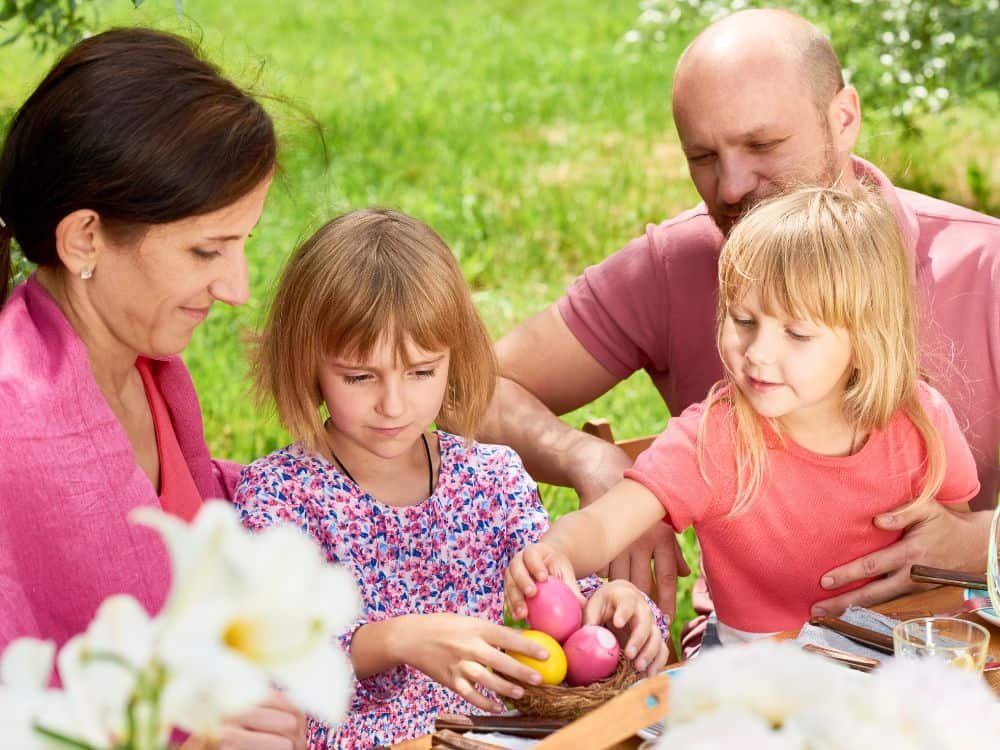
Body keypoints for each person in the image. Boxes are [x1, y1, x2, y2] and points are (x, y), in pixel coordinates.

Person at [482, 8, 999, 631]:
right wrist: (591, 464)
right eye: (702, 155)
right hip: (756, 666)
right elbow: (469, 387)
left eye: (762, 145)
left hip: (926, 650)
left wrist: (982, 543)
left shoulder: (984, 272)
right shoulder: (675, 266)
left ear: (844, 119)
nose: (730, 188)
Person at [233, 208, 671, 749]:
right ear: (308, 365)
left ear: (453, 360)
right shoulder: (283, 497)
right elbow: (273, 664)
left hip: (503, 738)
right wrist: (397, 640)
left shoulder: (490, 478)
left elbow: (550, 604)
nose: (393, 404)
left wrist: (614, 610)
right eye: (359, 376)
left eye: (421, 372)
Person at [0, 28, 305, 750]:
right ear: (84, 241)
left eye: (242, 244)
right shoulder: (15, 427)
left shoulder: (144, 366)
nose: (236, 289)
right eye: (207, 250)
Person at [505, 185, 980, 645]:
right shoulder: (714, 440)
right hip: (755, 684)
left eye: (797, 333)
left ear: (865, 340)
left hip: (892, 669)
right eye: (744, 320)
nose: (758, 353)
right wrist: (556, 551)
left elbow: (949, 548)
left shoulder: (919, 422)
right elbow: (605, 524)